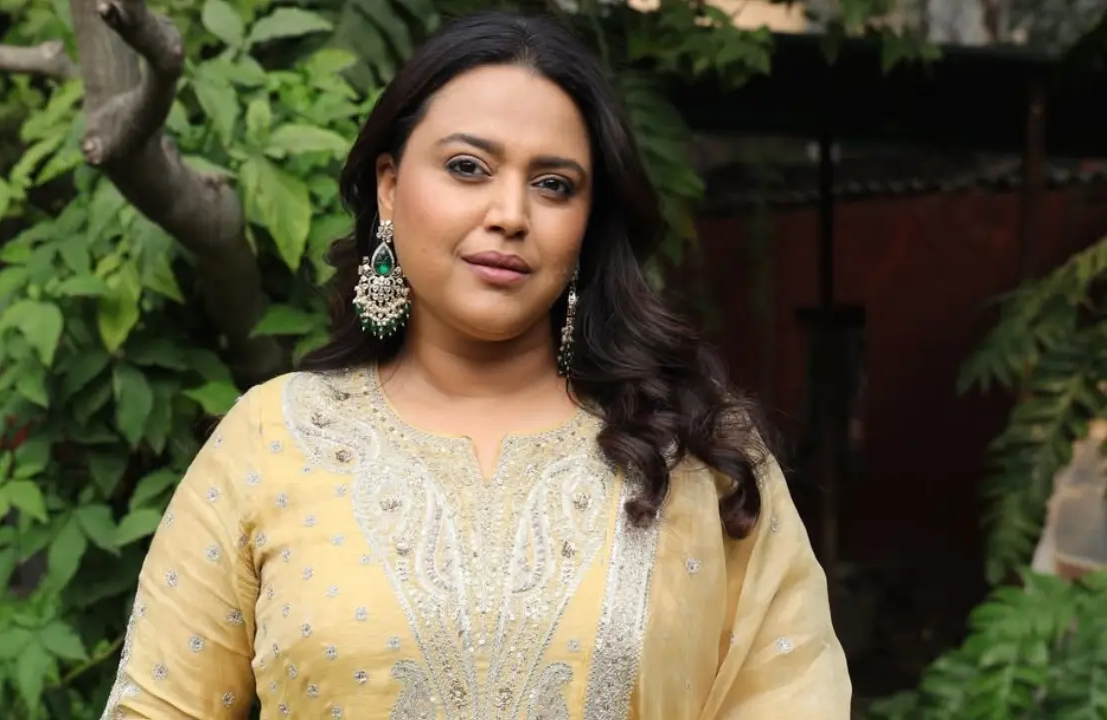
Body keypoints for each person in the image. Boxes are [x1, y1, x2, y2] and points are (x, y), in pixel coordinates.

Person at [100, 10, 851, 720]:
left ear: (588, 224)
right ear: (390, 186)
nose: (510, 214)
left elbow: (791, 698)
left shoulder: (692, 449)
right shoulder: (273, 439)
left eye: (554, 185)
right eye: (468, 167)